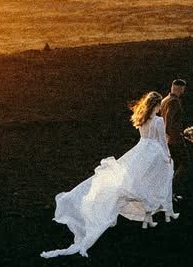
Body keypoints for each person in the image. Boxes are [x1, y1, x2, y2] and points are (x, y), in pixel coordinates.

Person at [40, 90, 177, 258]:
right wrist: (168, 157)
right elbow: (162, 143)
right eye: (159, 106)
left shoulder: (141, 119)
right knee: (160, 175)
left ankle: (151, 211)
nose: (160, 109)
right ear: (155, 106)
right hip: (154, 153)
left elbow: (145, 139)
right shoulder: (158, 121)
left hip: (139, 151)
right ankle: (162, 209)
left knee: (128, 182)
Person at [160, 78, 188, 196]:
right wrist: (167, 135)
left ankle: (169, 191)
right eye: (183, 89)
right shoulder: (174, 101)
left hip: (169, 138)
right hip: (173, 139)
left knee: (172, 165)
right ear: (181, 88)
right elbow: (168, 119)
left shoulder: (165, 100)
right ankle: (170, 189)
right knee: (185, 162)